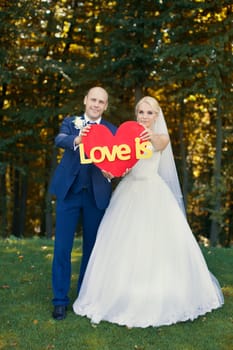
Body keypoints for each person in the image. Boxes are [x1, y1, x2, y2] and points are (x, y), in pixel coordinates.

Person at [73, 96, 224, 328]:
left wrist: (146, 135)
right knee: (123, 244)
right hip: (128, 192)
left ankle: (159, 294)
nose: (144, 116)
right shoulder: (128, 137)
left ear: (157, 115)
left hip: (153, 192)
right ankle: (118, 295)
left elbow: (158, 144)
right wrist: (109, 171)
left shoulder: (161, 137)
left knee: (155, 244)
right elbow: (122, 166)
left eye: (149, 113)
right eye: (141, 112)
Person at [49, 86, 117, 320]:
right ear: (85, 100)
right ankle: (59, 300)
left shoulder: (111, 130)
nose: (96, 104)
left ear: (106, 106)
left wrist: (112, 172)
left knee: (92, 249)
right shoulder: (71, 122)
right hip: (69, 193)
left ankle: (84, 296)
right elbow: (59, 139)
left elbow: (118, 161)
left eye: (101, 102)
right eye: (93, 100)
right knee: (62, 248)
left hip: (96, 196)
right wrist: (78, 138)